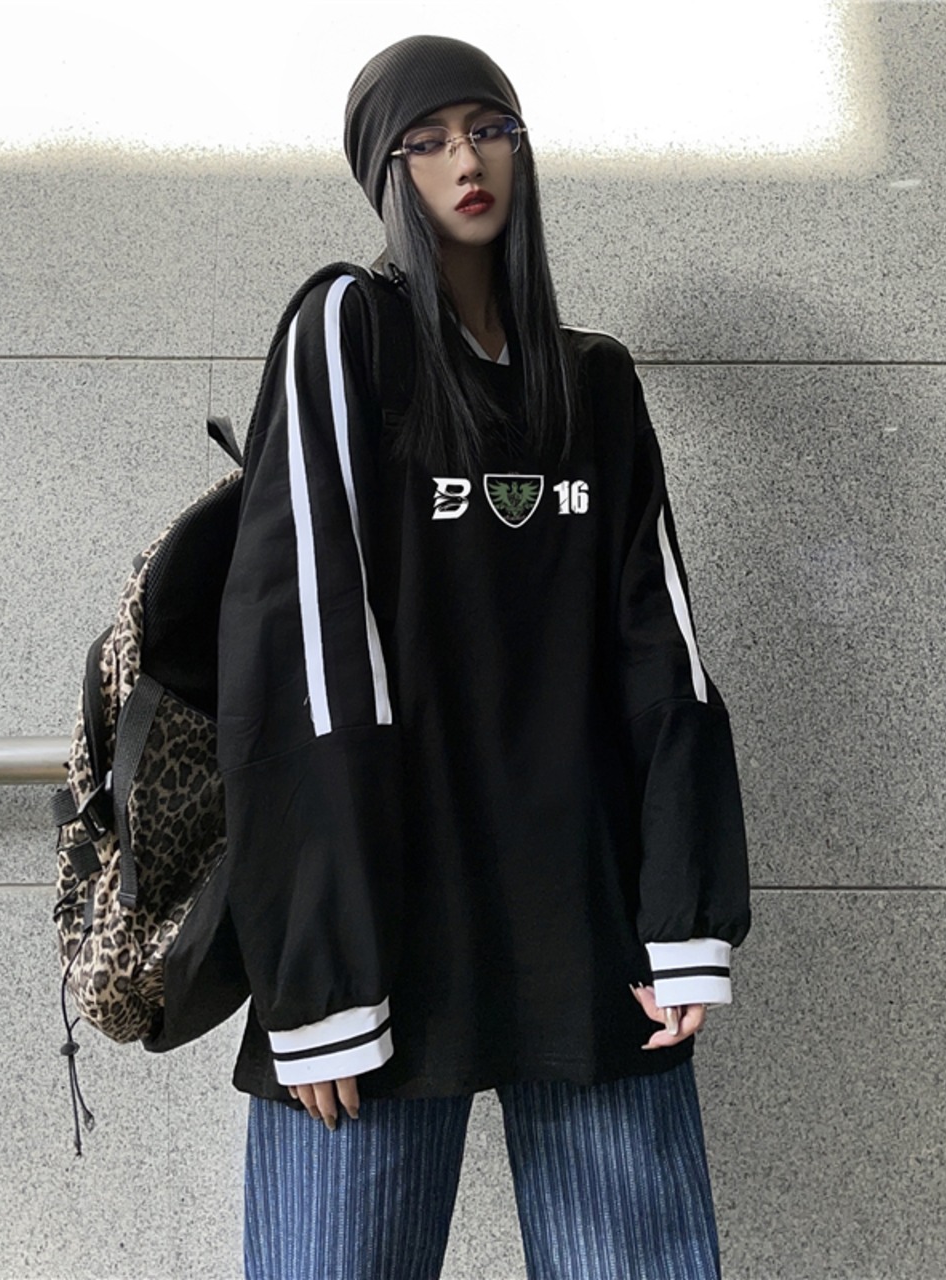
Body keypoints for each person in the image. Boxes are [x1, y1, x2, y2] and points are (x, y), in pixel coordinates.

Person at [216, 34, 751, 1280]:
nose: (467, 161)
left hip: (581, 922)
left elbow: (659, 653)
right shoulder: (348, 329)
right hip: (389, 928)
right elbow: (302, 644)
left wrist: (680, 918)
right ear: (386, 172)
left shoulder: (591, 381)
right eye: (429, 140)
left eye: (489, 129)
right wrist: (319, 974)